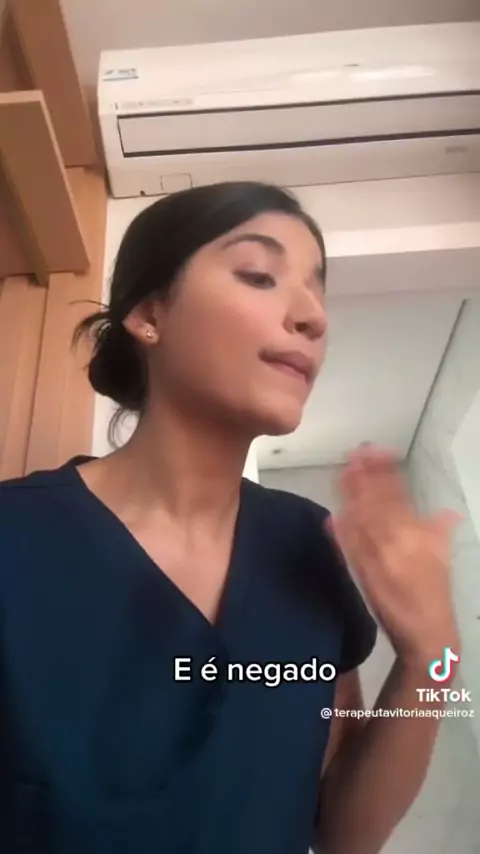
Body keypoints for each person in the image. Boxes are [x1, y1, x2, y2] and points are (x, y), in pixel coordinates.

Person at [0, 182, 460, 854]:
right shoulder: (15, 539)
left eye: (318, 290)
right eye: (259, 275)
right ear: (149, 313)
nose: (313, 317)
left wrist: (433, 656)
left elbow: (345, 835)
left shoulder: (308, 544)